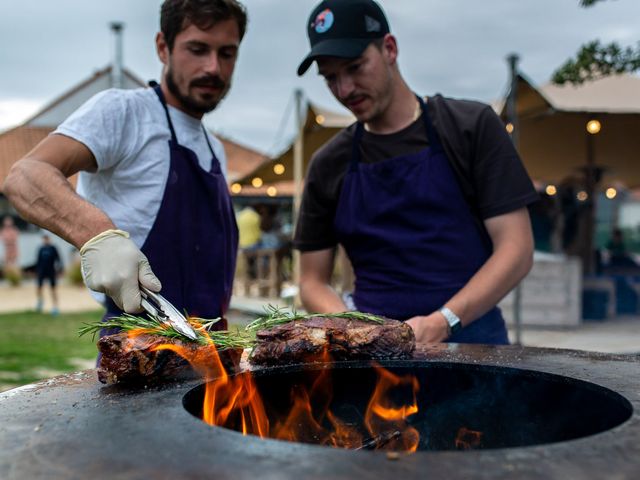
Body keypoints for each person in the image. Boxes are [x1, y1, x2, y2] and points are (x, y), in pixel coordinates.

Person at [294, 0, 538, 345]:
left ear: (389, 48)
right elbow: (311, 280)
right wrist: (349, 329)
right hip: (372, 358)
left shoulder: (470, 128)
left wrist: (444, 320)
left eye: (355, 67)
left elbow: (516, 248)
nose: (344, 90)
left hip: (473, 348)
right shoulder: (328, 163)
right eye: (331, 78)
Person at [3, 0, 247, 333]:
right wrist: (98, 235)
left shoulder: (214, 148)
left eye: (227, 54)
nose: (213, 68)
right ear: (163, 47)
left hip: (216, 363)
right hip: (138, 359)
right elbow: (24, 177)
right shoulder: (124, 113)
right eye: (197, 49)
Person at [35, 235, 62, 315]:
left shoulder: (53, 248)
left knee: (53, 289)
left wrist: (60, 270)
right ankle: (40, 301)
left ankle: (55, 307)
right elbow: (38, 261)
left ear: (49, 239)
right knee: (39, 287)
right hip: (42, 271)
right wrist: (36, 271)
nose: (45, 241)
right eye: (44, 239)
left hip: (51, 271)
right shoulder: (41, 249)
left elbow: (59, 260)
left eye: (47, 239)